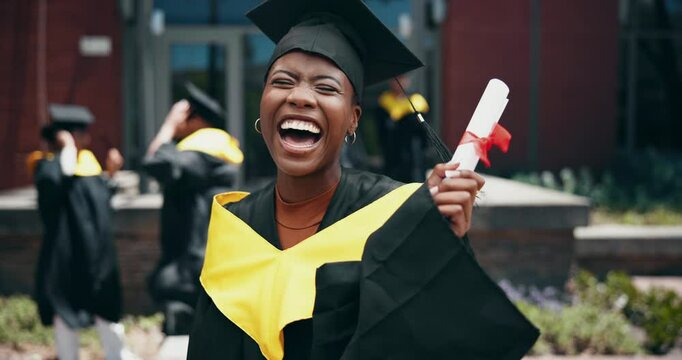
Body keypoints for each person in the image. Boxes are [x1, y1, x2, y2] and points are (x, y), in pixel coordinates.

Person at [187, 0, 539, 359]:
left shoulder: (395, 214)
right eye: (282, 82)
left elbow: (435, 339)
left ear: (354, 119)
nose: (300, 97)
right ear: (262, 103)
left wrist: (437, 243)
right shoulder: (236, 228)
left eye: (325, 88)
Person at [29, 104, 133, 360]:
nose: (86, 139)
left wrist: (110, 174)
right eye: (80, 134)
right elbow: (59, 183)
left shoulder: (88, 166)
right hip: (64, 258)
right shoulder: (47, 168)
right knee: (64, 316)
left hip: (95, 257)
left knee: (106, 312)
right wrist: (67, 149)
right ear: (67, 137)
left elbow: (99, 204)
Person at [143, 82, 244, 335]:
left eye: (182, 117)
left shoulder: (196, 153)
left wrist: (167, 126)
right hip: (214, 264)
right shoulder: (220, 151)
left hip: (191, 272)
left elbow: (154, 161)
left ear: (195, 119)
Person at [377, 74, 430, 182]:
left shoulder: (416, 101)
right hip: (392, 150)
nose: (399, 82)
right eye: (396, 79)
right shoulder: (385, 100)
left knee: (414, 180)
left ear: (408, 81)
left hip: (413, 151)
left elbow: (423, 131)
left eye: (402, 78)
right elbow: (381, 130)